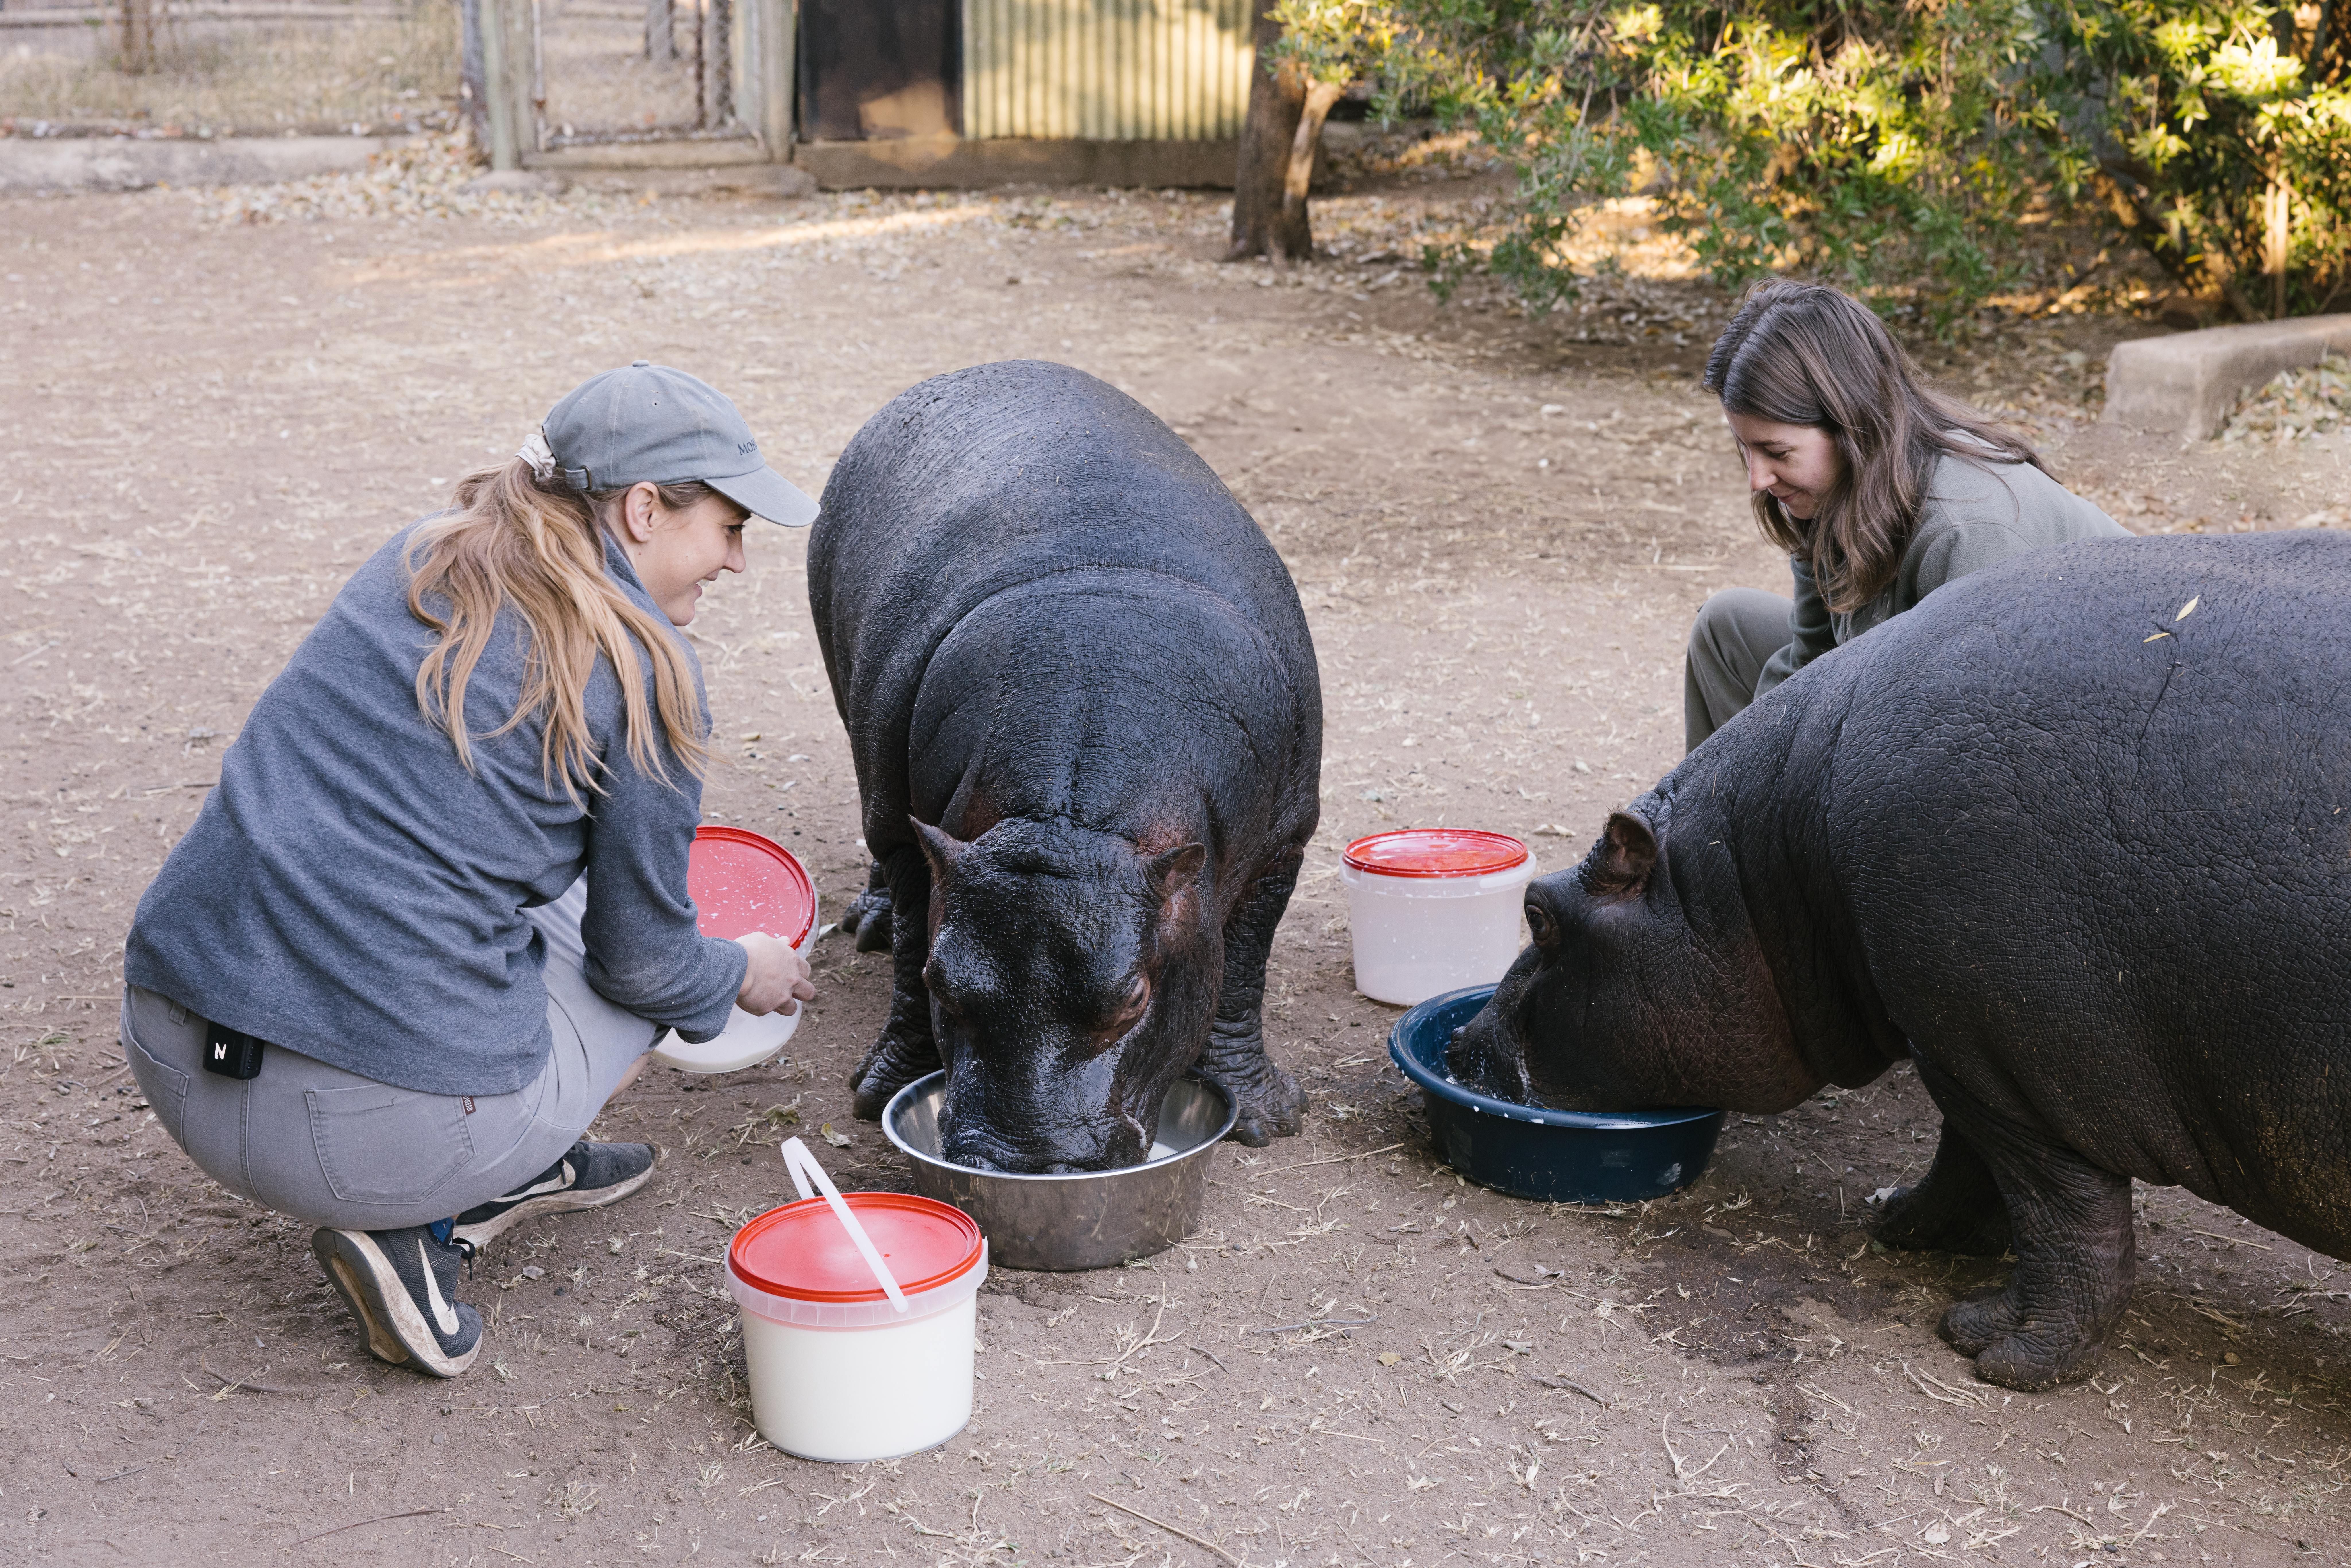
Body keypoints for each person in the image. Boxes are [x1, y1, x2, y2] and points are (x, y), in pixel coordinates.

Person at [120, 362, 820, 1377]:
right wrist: (744, 967)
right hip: (348, 1146)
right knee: (647, 968)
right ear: (642, 510)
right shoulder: (646, 673)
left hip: (171, 1047)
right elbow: (650, 966)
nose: (738, 560)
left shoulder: (415, 557)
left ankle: (492, 1163)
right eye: (728, 527)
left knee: (549, 896)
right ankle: (434, 1214)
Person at [1684, 280, 2131, 752]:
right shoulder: (1825, 489)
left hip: (2080, 741)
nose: (1757, 479)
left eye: (1776, 452)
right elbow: (1810, 662)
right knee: (1725, 626)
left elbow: (1978, 744)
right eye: (1745, 448)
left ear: (1852, 425)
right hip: (1918, 700)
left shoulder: (1967, 532)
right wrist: (1736, 771)